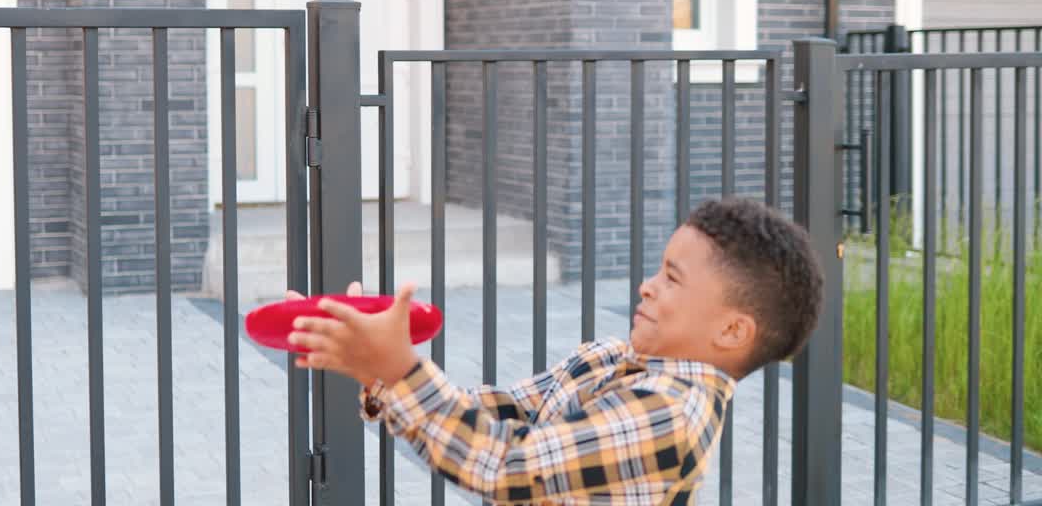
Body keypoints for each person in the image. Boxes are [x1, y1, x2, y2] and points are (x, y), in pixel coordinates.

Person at [286, 198, 824, 505]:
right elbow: (497, 413)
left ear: (732, 331)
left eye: (672, 279)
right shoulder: (611, 358)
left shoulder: (672, 415)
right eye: (659, 268)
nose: (647, 285)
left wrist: (398, 371)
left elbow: (509, 465)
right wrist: (374, 366)